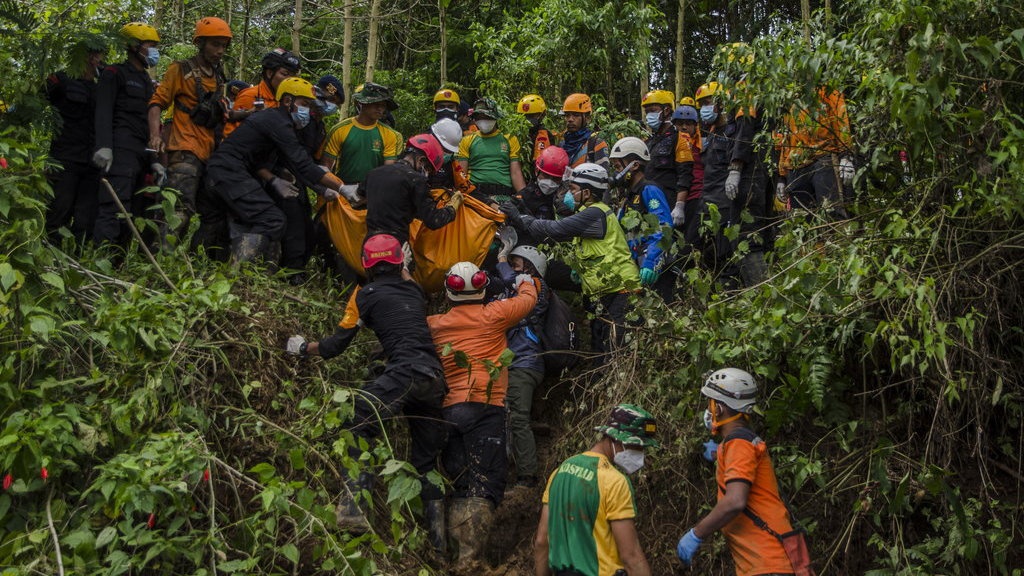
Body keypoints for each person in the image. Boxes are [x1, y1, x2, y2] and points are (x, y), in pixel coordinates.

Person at [285, 234, 449, 549]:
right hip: (434, 378)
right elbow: (402, 277)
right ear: (401, 262)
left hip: (405, 373)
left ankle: (353, 509)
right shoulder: (415, 291)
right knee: (426, 462)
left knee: (357, 418)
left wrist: (304, 347)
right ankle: (439, 546)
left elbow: (335, 346)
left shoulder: (364, 294)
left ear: (366, 265)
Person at [427, 261, 538, 574]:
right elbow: (530, 299)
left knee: (461, 484)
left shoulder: (434, 323)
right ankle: (469, 561)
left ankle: (448, 559)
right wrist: (521, 278)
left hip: (448, 411)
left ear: (448, 292)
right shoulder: (494, 314)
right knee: (483, 485)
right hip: (485, 407)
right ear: (482, 287)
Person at [677, 368, 810, 576]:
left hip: (768, 563)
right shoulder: (740, 442)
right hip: (766, 563)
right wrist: (718, 453)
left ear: (719, 408)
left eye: (710, 403)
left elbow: (735, 501)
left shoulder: (738, 443)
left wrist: (697, 533)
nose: (708, 410)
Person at [501, 163, 640, 359]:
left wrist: (520, 217)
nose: (568, 194)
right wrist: (524, 211)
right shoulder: (586, 215)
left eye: (573, 189)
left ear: (587, 193)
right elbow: (553, 238)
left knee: (614, 350)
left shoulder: (595, 214)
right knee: (600, 348)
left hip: (621, 290)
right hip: (605, 292)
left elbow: (555, 230)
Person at [204, 77, 346, 263]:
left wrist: (273, 179)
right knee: (272, 219)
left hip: (226, 171)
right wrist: (342, 188)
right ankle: (236, 273)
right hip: (228, 171)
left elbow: (262, 159)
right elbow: (302, 163)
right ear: (287, 101)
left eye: (310, 104)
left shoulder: (281, 121)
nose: (308, 109)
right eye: (304, 104)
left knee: (227, 221)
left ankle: (219, 268)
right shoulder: (278, 122)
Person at [534, 403, 658, 576]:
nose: (641, 454)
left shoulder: (560, 472)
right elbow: (631, 557)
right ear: (618, 439)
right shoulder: (614, 482)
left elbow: (541, 542)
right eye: (638, 446)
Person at [147, 17, 232, 249]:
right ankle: (160, 256)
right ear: (201, 43)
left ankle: (193, 258)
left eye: (223, 45)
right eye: (215, 44)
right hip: (184, 148)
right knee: (178, 207)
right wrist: (155, 135)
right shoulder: (180, 69)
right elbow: (157, 103)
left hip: (209, 152)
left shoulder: (218, 76)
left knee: (212, 210)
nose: (220, 51)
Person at [696, 78, 769, 289]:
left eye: (708, 103)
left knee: (742, 245)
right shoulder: (710, 134)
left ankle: (755, 293)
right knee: (719, 253)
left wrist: (735, 171)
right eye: (701, 105)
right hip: (710, 202)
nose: (704, 109)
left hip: (728, 199)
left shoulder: (736, 124)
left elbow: (741, 150)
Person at [92, 22, 159, 247]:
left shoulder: (147, 82)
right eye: (150, 45)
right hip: (120, 150)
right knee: (114, 207)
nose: (154, 50)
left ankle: (119, 264)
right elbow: (103, 110)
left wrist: (154, 160)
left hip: (141, 153)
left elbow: (149, 123)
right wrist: (104, 145)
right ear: (133, 46)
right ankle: (103, 258)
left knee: (134, 211)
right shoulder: (114, 73)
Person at [497, 244, 550, 489]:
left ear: (530, 267)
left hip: (525, 362)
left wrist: (501, 260)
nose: (510, 266)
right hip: (514, 361)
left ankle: (527, 477)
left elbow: (509, 278)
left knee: (518, 417)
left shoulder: (535, 287)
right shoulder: (514, 290)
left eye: (515, 263)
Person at [44, 35, 106, 243]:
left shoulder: (102, 88)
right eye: (93, 54)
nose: (96, 59)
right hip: (64, 159)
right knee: (58, 212)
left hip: (92, 163)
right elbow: (35, 101)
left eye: (99, 55)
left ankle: (78, 263)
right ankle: (50, 260)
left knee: (85, 220)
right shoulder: (61, 80)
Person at [362, 133, 463, 244]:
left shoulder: (373, 174)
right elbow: (434, 220)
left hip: (370, 243)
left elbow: (357, 198)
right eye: (428, 168)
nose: (427, 173)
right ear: (421, 160)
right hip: (395, 244)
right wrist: (453, 207)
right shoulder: (416, 180)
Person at [608, 137, 675, 302]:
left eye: (618, 167)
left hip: (653, 265)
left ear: (635, 165)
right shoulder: (628, 197)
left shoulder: (649, 190)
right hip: (637, 263)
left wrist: (651, 261)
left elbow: (663, 228)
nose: (616, 173)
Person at [777, 88, 854, 218]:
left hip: (824, 158)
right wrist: (782, 176)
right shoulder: (788, 95)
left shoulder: (828, 90)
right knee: (800, 219)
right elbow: (786, 137)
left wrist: (845, 156)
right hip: (796, 166)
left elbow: (841, 122)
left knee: (831, 212)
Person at [320, 82, 402, 186]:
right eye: (376, 104)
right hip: (344, 187)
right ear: (363, 103)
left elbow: (388, 169)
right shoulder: (340, 129)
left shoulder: (390, 134)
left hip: (373, 188)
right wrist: (333, 188)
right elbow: (327, 164)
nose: (380, 109)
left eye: (383, 105)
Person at [641, 90, 695, 234]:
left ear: (666, 110)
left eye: (653, 111)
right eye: (647, 112)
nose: (649, 116)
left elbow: (685, 174)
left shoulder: (680, 138)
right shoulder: (649, 142)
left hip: (668, 202)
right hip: (649, 203)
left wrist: (680, 205)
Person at [456, 97, 526, 204]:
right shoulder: (467, 141)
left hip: (503, 195)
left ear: (495, 117)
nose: (483, 119)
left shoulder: (510, 139)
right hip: (476, 195)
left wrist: (524, 196)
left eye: (486, 116)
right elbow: (462, 175)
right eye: (479, 117)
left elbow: (516, 172)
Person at [223, 48, 301, 137]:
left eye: (293, 75)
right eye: (285, 74)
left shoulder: (286, 101)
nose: (290, 79)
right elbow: (229, 136)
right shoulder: (250, 96)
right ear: (270, 73)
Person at [670, 104, 705, 250]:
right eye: (680, 124)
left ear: (695, 126)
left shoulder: (702, 145)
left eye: (688, 124)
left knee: (692, 241)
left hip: (696, 196)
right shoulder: (671, 144)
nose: (684, 127)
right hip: (677, 195)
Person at [556, 93, 608, 169]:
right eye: (567, 115)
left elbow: (603, 176)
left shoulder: (595, 144)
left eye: (576, 115)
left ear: (587, 118)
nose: (570, 119)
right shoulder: (562, 145)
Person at [517, 94, 556, 166]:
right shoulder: (516, 133)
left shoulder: (544, 134)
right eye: (525, 116)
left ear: (543, 115)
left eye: (532, 116)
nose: (528, 120)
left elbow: (542, 160)